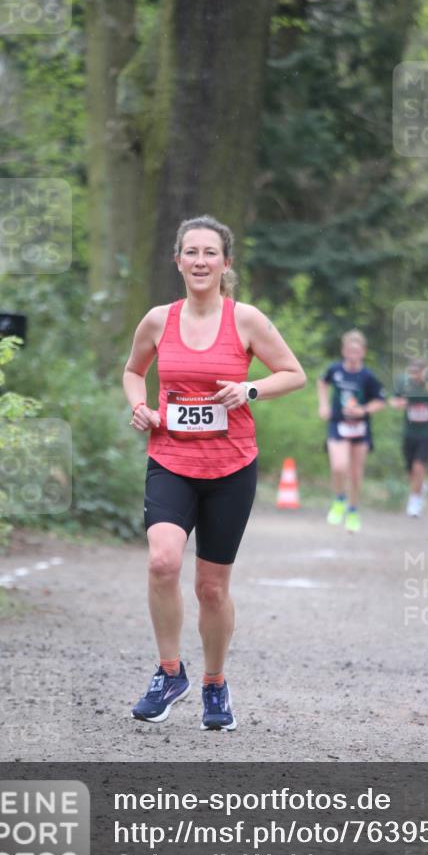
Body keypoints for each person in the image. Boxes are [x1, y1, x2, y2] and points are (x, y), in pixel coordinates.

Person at [123, 215, 306, 730]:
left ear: (226, 263)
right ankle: (168, 672)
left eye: (210, 253)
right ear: (178, 260)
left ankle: (214, 682)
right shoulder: (158, 320)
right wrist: (139, 406)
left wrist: (249, 390)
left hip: (230, 467)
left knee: (211, 589)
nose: (200, 261)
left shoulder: (246, 320)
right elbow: (134, 371)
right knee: (162, 563)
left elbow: (293, 374)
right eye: (191, 252)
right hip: (171, 460)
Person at [317, 330, 385, 533]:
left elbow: (380, 401)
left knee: (355, 474)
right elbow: (322, 382)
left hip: (360, 429)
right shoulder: (335, 370)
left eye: (356, 350)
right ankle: (339, 499)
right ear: (343, 351)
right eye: (349, 350)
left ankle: (353, 511)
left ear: (363, 352)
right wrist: (323, 405)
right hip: (338, 424)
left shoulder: (368, 376)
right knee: (339, 466)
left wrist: (362, 410)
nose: (352, 354)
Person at [389, 358, 428, 517]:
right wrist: (399, 403)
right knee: (411, 471)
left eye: (418, 372)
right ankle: (421, 486)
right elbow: (393, 400)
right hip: (410, 432)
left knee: (420, 466)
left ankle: (415, 501)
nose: (415, 375)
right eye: (412, 372)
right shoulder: (405, 384)